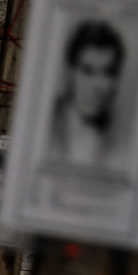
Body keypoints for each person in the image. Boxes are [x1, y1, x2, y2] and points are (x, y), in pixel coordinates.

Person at [48, 20, 125, 168]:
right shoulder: (45, 122)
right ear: (70, 72)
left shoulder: (119, 137)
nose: (99, 86)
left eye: (107, 73)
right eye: (88, 71)